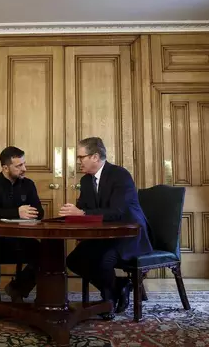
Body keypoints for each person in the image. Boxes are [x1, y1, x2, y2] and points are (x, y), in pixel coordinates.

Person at [59, 137, 152, 319]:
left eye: (81, 157)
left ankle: (108, 300)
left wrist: (83, 213)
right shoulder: (86, 181)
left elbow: (117, 211)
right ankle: (119, 287)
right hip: (103, 236)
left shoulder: (120, 175)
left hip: (129, 235)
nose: (78, 162)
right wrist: (72, 213)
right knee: (74, 260)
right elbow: (84, 207)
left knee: (104, 260)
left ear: (95, 157)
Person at [0, 146, 44, 303]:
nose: (24, 169)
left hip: (21, 236)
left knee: (46, 253)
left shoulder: (28, 184)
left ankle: (18, 288)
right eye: (19, 166)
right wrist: (17, 212)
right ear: (5, 168)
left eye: (24, 164)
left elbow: (40, 212)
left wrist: (31, 213)